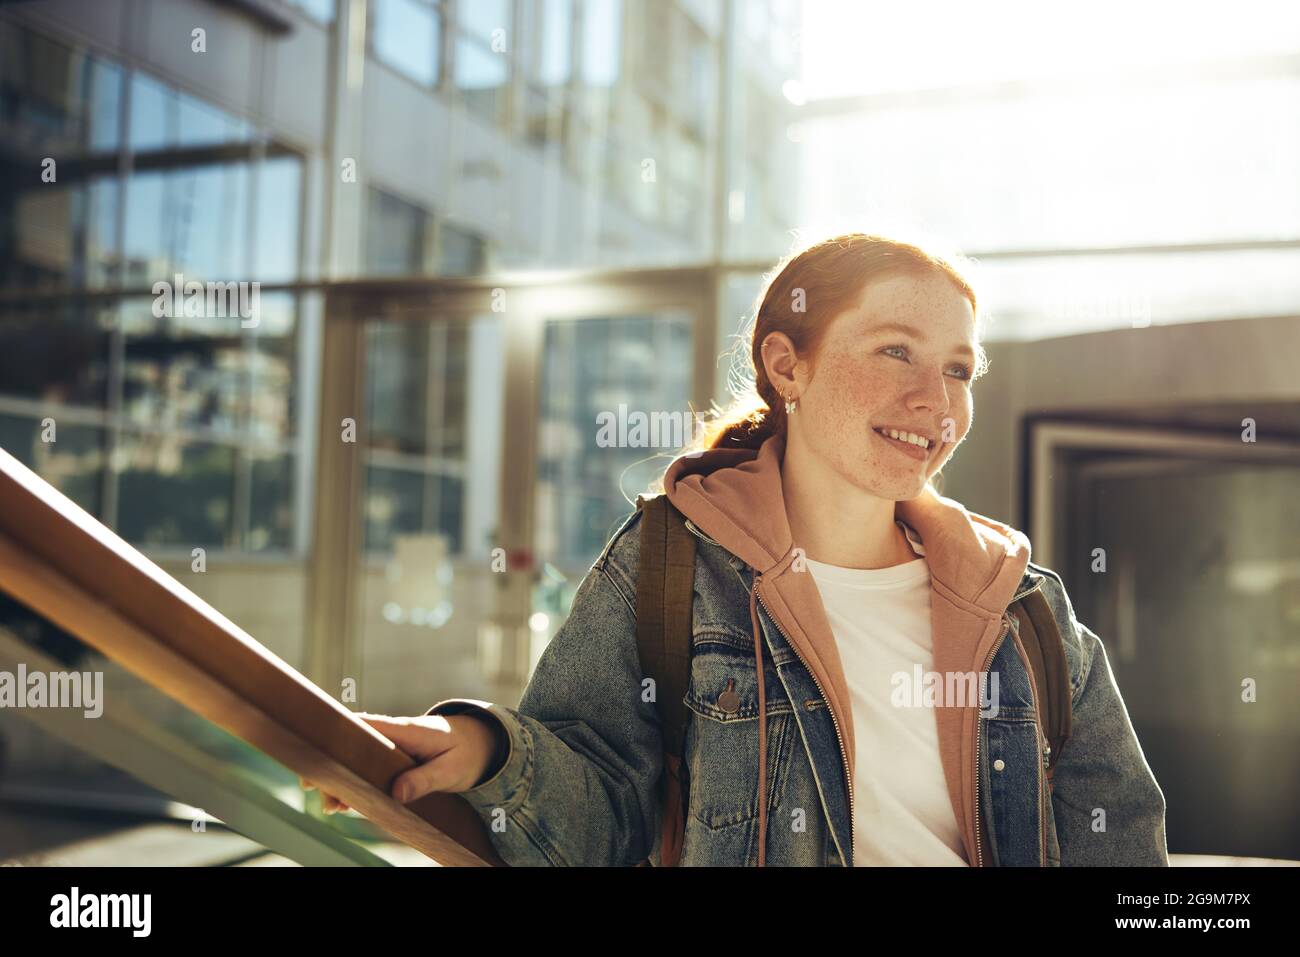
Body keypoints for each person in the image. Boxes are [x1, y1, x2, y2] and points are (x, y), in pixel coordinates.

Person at [303, 232, 1168, 866]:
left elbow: (1122, 841)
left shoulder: (1021, 606)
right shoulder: (672, 566)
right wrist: (492, 754)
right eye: (896, 350)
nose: (932, 398)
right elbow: (602, 806)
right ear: (787, 366)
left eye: (957, 368)